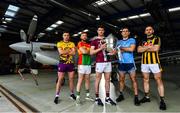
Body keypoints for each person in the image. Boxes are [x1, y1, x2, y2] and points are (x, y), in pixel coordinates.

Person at [137, 26, 166, 110]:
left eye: (150, 29)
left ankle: (162, 100)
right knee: (145, 79)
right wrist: (149, 47)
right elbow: (138, 50)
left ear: (152, 31)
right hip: (144, 63)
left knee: (158, 80)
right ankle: (147, 97)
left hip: (155, 63)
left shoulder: (157, 38)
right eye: (147, 30)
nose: (148, 31)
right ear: (145, 32)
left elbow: (156, 49)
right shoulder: (142, 40)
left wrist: (144, 48)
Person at [90, 25, 116, 106]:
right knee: (98, 80)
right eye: (99, 30)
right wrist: (101, 48)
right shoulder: (94, 41)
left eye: (102, 30)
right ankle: (97, 98)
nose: (101, 31)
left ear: (104, 31)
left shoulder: (108, 39)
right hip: (99, 62)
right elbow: (91, 52)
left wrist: (113, 52)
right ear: (97, 31)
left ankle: (107, 98)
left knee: (108, 80)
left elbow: (111, 50)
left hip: (108, 62)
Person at [115, 28, 140, 106]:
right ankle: (121, 95)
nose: (125, 32)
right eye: (123, 31)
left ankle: (136, 97)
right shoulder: (118, 42)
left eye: (126, 31)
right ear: (121, 33)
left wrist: (121, 48)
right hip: (121, 63)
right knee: (121, 80)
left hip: (130, 63)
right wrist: (118, 51)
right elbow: (116, 52)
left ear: (128, 33)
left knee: (134, 80)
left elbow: (131, 49)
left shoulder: (132, 40)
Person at [54, 32, 76, 104]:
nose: (66, 36)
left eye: (67, 35)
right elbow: (60, 52)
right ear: (62, 36)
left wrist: (65, 51)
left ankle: (72, 94)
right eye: (65, 35)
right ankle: (57, 96)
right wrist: (69, 50)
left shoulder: (72, 43)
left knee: (71, 80)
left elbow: (73, 53)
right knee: (60, 80)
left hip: (70, 63)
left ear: (69, 36)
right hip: (62, 63)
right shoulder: (59, 43)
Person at [76, 32, 94, 105]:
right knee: (80, 80)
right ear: (81, 37)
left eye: (85, 35)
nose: (84, 36)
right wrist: (87, 51)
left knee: (87, 80)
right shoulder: (79, 43)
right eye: (83, 35)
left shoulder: (89, 44)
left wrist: (87, 51)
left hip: (88, 64)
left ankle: (87, 96)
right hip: (81, 64)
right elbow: (84, 51)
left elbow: (91, 53)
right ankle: (77, 97)